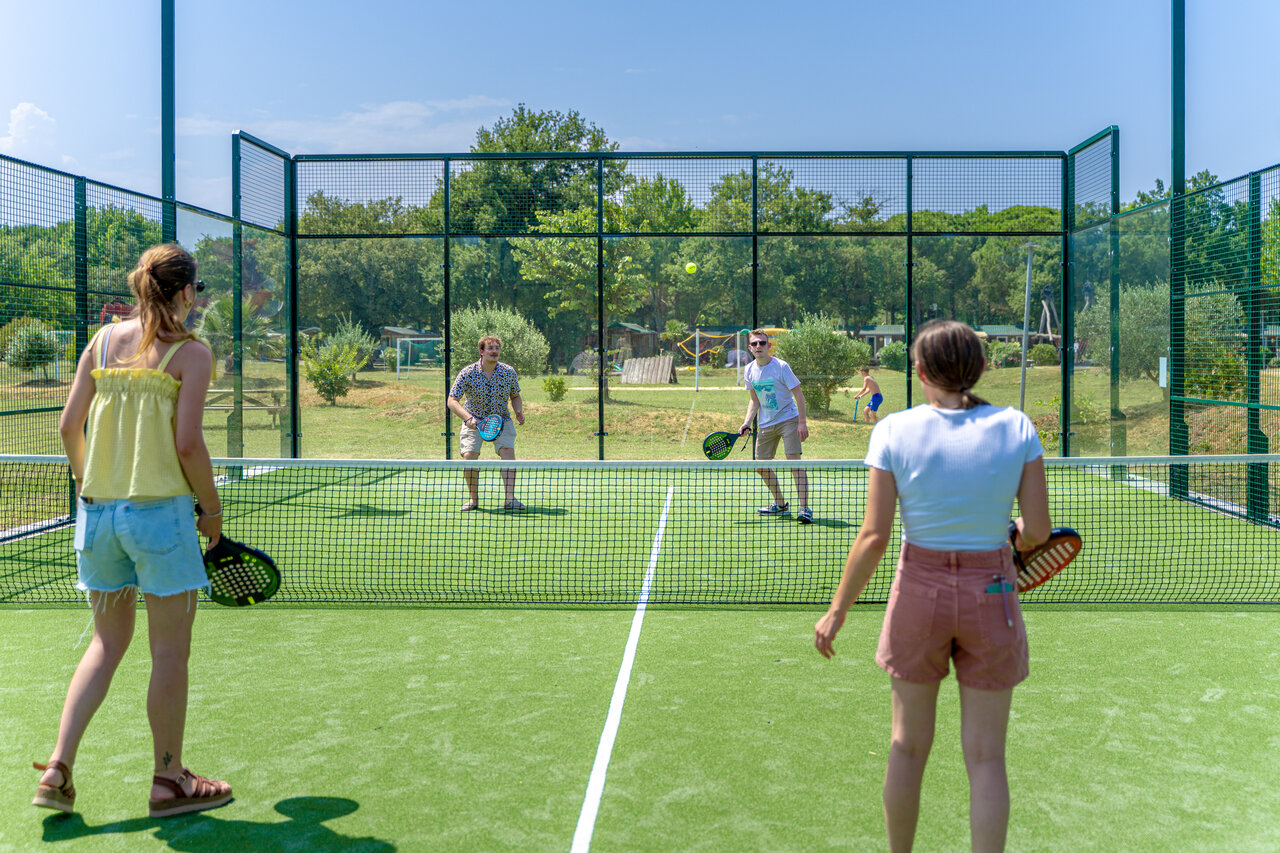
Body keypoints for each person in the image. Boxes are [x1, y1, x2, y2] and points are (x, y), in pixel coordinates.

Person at [814, 320, 1050, 852]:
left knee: (906, 746)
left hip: (918, 591)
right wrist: (1011, 533)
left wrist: (837, 612)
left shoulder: (893, 431)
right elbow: (1036, 532)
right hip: (994, 591)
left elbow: (874, 536)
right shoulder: (1016, 427)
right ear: (982, 368)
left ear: (918, 371)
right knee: (987, 757)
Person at [34, 244, 232, 818]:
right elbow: (189, 444)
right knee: (169, 651)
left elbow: (70, 425)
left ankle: (57, 769)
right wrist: (212, 513)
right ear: (187, 292)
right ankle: (169, 780)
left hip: (97, 516)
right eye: (195, 291)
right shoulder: (192, 353)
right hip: (160, 519)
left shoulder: (100, 342)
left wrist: (88, 481)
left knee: (105, 644)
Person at [738, 329, 812, 524]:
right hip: (765, 423)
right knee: (761, 466)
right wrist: (747, 422)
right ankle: (780, 504)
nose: (758, 347)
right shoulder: (749, 370)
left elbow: (799, 395)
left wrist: (802, 422)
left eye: (762, 343)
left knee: (793, 463)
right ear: (750, 348)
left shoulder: (781, 366)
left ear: (769, 346)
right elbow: (754, 401)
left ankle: (804, 508)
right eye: (754, 344)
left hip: (788, 418)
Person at [446, 335, 526, 511]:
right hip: (474, 420)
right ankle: (473, 500)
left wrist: (518, 410)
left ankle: (510, 499)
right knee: (469, 457)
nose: (495, 351)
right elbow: (452, 400)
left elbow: (515, 395)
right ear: (481, 351)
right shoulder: (467, 372)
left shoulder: (508, 372)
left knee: (508, 455)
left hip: (502, 419)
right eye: (490, 348)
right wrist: (468, 418)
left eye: (497, 348)